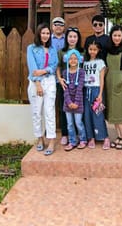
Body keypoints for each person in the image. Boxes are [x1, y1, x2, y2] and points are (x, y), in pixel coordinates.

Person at [27, 23, 58, 156]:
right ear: (39, 34)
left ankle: (51, 140)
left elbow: (54, 64)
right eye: (43, 33)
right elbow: (32, 68)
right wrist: (38, 83)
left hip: (50, 81)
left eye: (47, 33)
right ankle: (40, 138)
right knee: (36, 112)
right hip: (35, 83)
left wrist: (44, 70)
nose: (45, 35)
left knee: (49, 111)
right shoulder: (31, 48)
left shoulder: (52, 49)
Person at [56, 26, 84, 146]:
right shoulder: (62, 51)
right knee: (65, 109)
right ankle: (65, 134)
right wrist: (59, 79)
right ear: (66, 38)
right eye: (70, 36)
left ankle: (79, 136)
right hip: (64, 83)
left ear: (78, 38)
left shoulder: (82, 51)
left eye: (75, 37)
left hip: (78, 84)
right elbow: (58, 66)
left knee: (78, 110)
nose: (72, 39)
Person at [83, 40, 110, 149]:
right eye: (90, 49)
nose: (92, 51)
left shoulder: (100, 62)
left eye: (95, 49)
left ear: (98, 50)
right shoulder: (85, 63)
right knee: (87, 115)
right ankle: (91, 138)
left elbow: (102, 79)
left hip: (96, 90)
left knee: (98, 114)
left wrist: (100, 94)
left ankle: (105, 137)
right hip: (86, 90)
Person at [62, 49, 87, 151]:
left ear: (79, 60)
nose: (73, 60)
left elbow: (80, 88)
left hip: (78, 103)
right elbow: (65, 90)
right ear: (67, 60)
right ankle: (72, 141)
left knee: (78, 122)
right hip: (67, 103)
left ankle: (83, 139)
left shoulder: (81, 72)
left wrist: (76, 103)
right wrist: (69, 102)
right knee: (70, 124)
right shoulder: (64, 73)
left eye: (75, 58)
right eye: (70, 59)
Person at [51, 17, 66, 144]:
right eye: (56, 24)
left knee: (62, 105)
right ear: (52, 26)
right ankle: (50, 129)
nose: (58, 27)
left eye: (61, 25)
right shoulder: (47, 39)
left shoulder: (68, 39)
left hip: (64, 78)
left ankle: (63, 130)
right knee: (49, 105)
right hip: (49, 77)